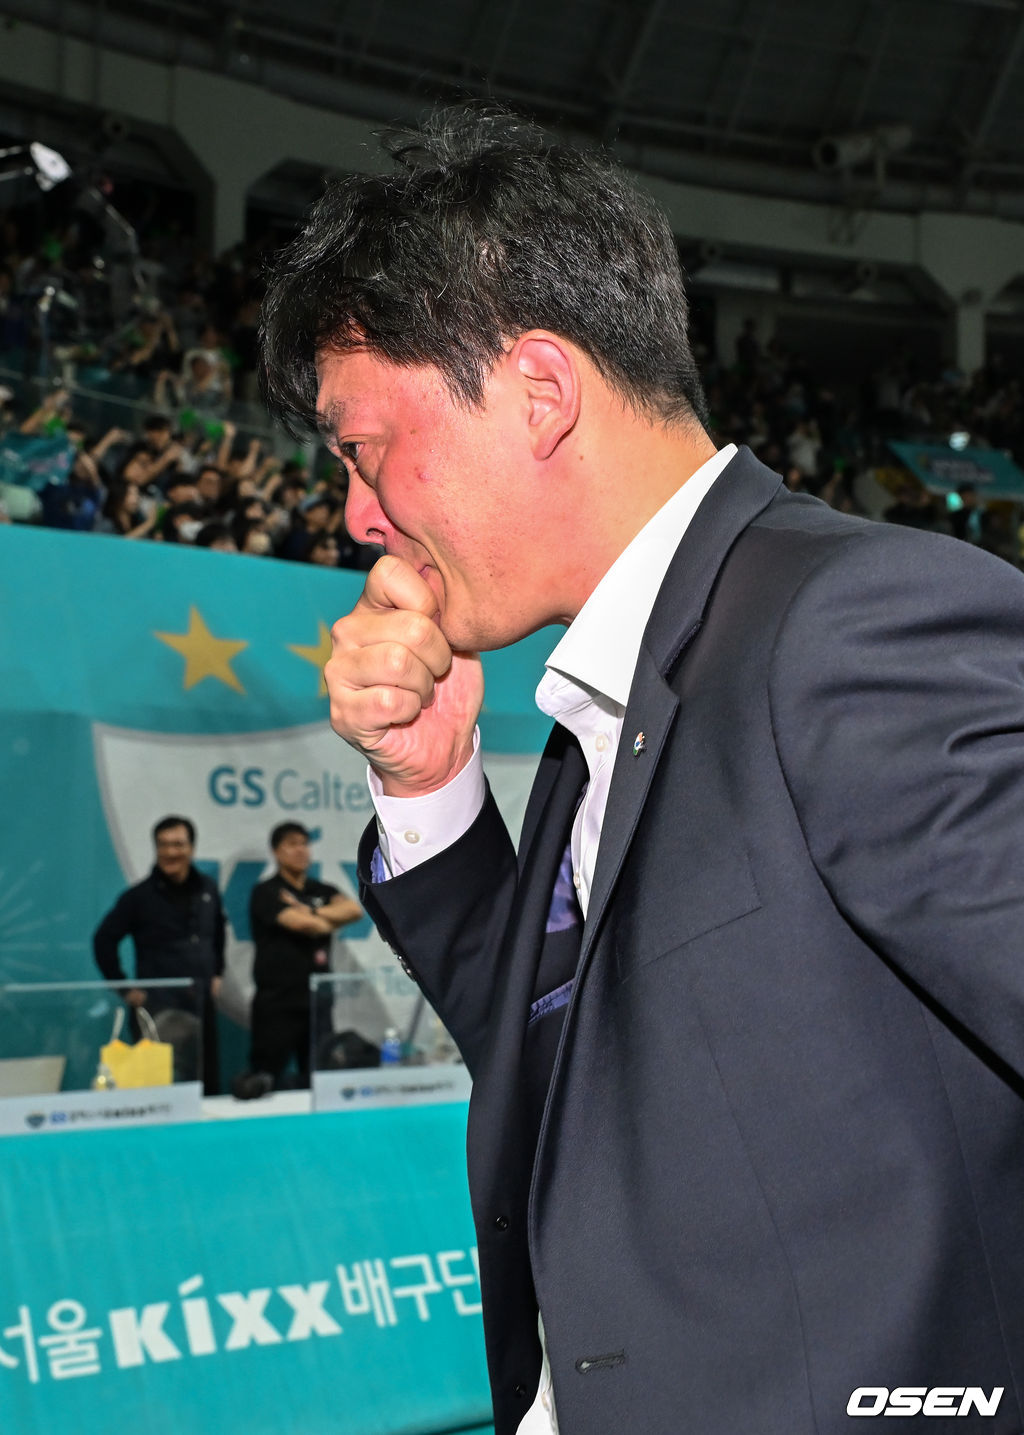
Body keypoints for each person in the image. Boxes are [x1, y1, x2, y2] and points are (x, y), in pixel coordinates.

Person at [260, 107, 1024, 1435]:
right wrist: (428, 784)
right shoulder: (621, 694)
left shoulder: (847, 626)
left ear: (540, 390)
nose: (357, 514)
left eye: (361, 445)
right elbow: (569, 1063)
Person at [92, 815, 225, 1094]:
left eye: (178, 844)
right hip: (158, 1008)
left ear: (192, 848)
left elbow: (218, 932)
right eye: (163, 845)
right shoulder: (138, 897)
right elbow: (103, 941)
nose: (170, 852)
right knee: (159, 1090)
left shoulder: (208, 890)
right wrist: (125, 988)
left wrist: (217, 973)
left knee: (206, 1086)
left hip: (201, 1004)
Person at [246, 822, 362, 1089]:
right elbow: (307, 926)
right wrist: (324, 918)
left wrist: (309, 908)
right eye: (291, 844)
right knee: (267, 1077)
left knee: (320, 1078)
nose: (300, 850)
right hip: (278, 1002)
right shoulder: (267, 891)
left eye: (304, 844)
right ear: (276, 851)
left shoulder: (321, 889)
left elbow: (354, 911)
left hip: (318, 1000)